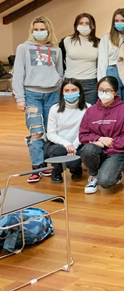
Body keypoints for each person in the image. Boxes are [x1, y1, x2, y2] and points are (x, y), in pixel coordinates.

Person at [12, 16, 63, 180]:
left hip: (53, 94)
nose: (39, 32)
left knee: (51, 131)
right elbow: (18, 73)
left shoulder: (56, 50)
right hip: (32, 94)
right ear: (32, 31)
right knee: (36, 131)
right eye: (36, 29)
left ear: (49, 31)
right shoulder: (23, 48)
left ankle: (49, 164)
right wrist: (20, 97)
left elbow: (60, 72)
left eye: (43, 29)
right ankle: (36, 166)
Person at [79, 76, 124, 194]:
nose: (104, 93)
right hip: (96, 149)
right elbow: (83, 135)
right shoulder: (90, 111)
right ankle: (93, 176)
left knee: (105, 182)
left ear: (116, 92)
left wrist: (106, 144)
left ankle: (114, 173)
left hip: (116, 152)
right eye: (101, 90)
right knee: (88, 148)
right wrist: (98, 139)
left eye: (108, 90)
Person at [45, 78, 88, 183]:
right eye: (67, 90)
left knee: (73, 162)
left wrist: (74, 146)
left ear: (80, 91)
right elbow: (50, 133)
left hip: (79, 144)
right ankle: (56, 171)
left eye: (74, 90)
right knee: (56, 151)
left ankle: (76, 170)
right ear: (62, 92)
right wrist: (67, 144)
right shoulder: (54, 109)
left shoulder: (88, 108)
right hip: (59, 144)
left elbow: (86, 132)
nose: (70, 93)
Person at [60, 13, 100, 104]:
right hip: (70, 82)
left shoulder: (99, 43)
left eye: (87, 23)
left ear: (93, 26)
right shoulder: (66, 41)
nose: (84, 26)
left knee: (89, 113)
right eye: (81, 23)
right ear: (76, 26)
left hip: (91, 83)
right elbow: (60, 61)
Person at [97, 8, 124, 100]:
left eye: (122, 21)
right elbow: (102, 61)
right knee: (115, 100)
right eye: (116, 21)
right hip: (113, 70)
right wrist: (101, 82)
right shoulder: (106, 38)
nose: (119, 23)